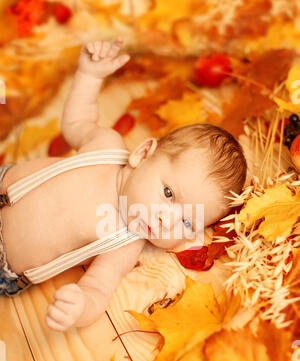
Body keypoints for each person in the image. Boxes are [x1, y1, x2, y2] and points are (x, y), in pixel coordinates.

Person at [0, 38, 247, 331]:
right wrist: (90, 76)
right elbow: (77, 122)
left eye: (186, 221)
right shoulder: (106, 146)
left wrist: (80, 307)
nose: (165, 219)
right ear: (143, 154)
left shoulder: (125, 242)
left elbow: (98, 288)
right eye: (168, 194)